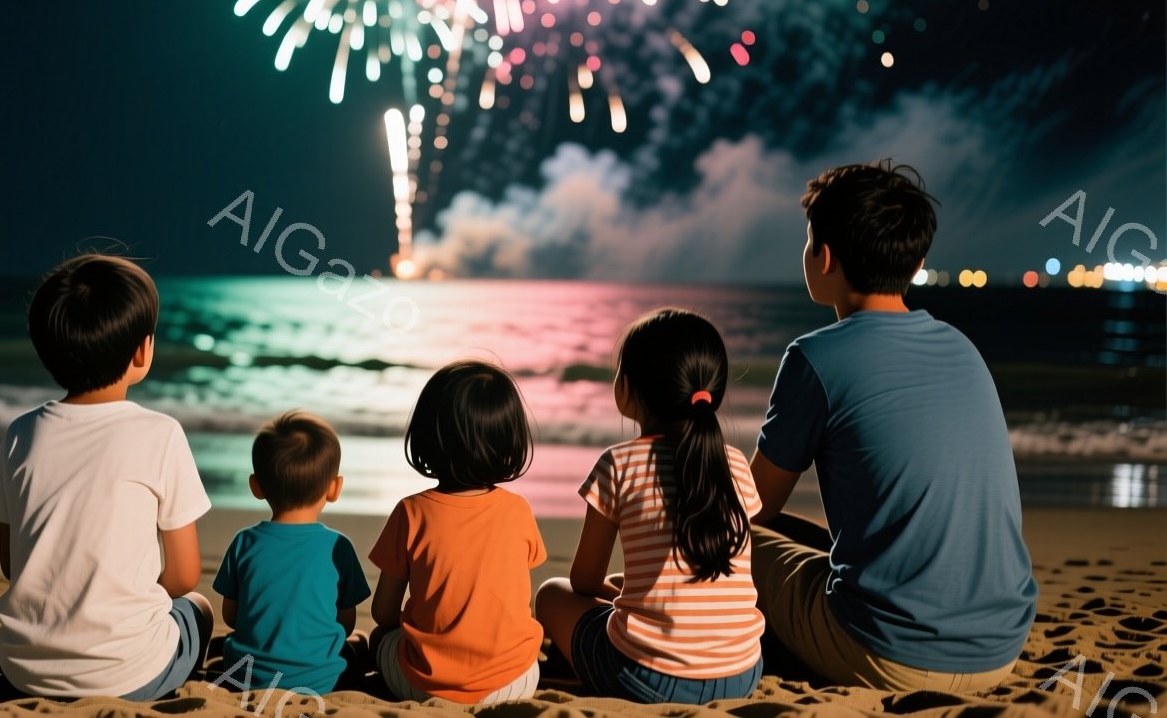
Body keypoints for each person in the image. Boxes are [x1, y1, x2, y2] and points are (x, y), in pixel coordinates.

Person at [748, 161, 1037, 692]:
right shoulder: (963, 347)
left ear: (824, 255)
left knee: (733, 538)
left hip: (884, 653)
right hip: (1000, 651)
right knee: (801, 539)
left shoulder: (815, 358)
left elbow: (750, 508)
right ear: (918, 260)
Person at [0, 254, 212, 699]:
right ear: (143, 350)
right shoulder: (160, 434)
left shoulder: (21, 434)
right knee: (197, 608)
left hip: (22, 669)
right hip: (130, 675)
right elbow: (183, 575)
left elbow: (13, 564)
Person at [535, 309, 764, 704]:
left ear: (627, 388)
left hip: (646, 678)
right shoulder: (736, 464)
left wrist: (611, 592)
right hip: (742, 674)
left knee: (550, 593)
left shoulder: (619, 464)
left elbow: (584, 582)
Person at [368, 359, 546, 704]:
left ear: (428, 437)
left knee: (380, 637)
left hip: (424, 686)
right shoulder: (518, 510)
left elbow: (384, 613)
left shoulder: (411, 512)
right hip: (517, 682)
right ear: (509, 440)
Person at [212, 411, 371, 696]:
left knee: (223, 647)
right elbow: (345, 624)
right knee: (358, 642)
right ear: (334, 488)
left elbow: (232, 617)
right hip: (321, 683)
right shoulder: (339, 546)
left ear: (256, 486)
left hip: (250, 678)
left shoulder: (244, 542)